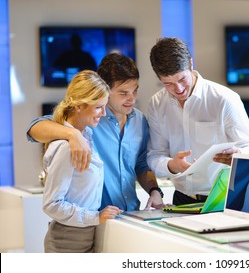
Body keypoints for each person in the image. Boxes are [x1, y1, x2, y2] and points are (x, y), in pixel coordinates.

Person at [27, 53, 165, 211]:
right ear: (105, 89)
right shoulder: (90, 117)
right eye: (123, 93)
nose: (132, 99)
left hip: (132, 214)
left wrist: (154, 190)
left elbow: (141, 165)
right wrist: (73, 135)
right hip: (94, 219)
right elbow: (34, 128)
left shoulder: (139, 121)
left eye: (135, 91)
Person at [147, 37, 249, 205]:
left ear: (191, 64)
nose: (178, 89)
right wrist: (172, 165)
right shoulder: (157, 104)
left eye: (182, 79)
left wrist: (238, 156)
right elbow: (155, 155)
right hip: (182, 199)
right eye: (168, 84)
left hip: (223, 199)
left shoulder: (224, 99)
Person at [42, 70, 120, 253]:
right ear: (79, 105)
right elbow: (51, 204)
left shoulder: (86, 137)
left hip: (85, 236)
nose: (103, 112)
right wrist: (95, 217)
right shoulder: (67, 147)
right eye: (99, 107)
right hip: (66, 241)